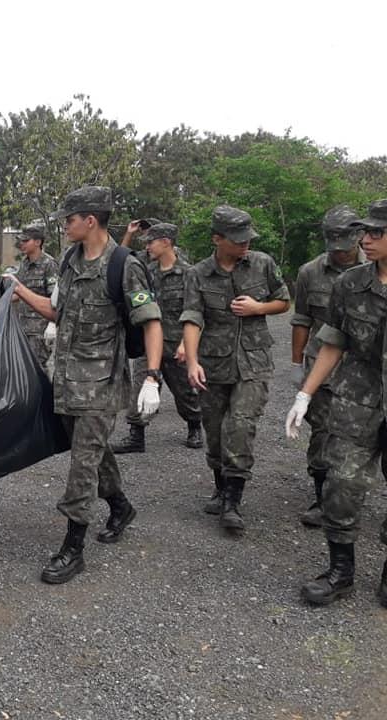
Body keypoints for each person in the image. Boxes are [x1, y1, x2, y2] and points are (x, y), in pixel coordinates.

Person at [10, 186, 163, 585]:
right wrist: (18, 289)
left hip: (101, 386)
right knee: (91, 454)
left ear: (89, 220)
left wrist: (152, 377)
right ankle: (120, 505)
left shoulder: (124, 265)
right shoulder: (68, 260)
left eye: (69, 219)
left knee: (82, 463)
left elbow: (151, 321)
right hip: (64, 380)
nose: (64, 225)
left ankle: (72, 547)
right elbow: (57, 312)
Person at [286, 199, 387, 607]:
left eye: (377, 233)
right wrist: (304, 393)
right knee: (341, 486)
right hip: (356, 400)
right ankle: (341, 570)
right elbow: (334, 340)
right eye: (365, 231)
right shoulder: (352, 283)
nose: (365, 239)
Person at [181, 206, 290, 532]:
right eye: (237, 240)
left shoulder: (263, 263)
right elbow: (192, 318)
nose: (245, 245)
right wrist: (192, 361)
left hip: (254, 363)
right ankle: (221, 485)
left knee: (240, 427)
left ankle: (233, 502)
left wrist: (260, 307)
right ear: (217, 239)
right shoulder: (198, 274)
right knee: (214, 432)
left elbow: (283, 301)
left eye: (248, 239)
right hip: (214, 364)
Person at [289, 205, 364, 527]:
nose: (340, 253)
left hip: (367, 373)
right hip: (323, 367)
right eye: (333, 246)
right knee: (322, 434)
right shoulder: (310, 272)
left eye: (345, 247)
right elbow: (302, 319)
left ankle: (351, 493)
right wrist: (297, 365)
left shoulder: (377, 268)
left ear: (359, 237)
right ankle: (323, 498)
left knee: (362, 438)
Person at [113, 220, 203, 452]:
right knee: (139, 391)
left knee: (185, 393)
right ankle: (136, 435)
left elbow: (196, 310)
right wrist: (128, 235)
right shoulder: (146, 269)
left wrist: (186, 344)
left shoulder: (189, 273)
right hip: (149, 345)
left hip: (176, 344)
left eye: (151, 242)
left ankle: (194, 425)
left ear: (166, 242)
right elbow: (118, 260)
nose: (147, 247)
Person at [13, 226, 58, 369]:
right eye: (21, 241)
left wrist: (52, 325)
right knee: (22, 370)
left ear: (38, 242)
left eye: (26, 241)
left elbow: (55, 299)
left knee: (37, 369)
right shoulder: (24, 264)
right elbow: (19, 292)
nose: (22, 244)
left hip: (39, 331)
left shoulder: (49, 265)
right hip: (22, 328)